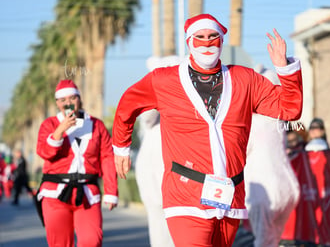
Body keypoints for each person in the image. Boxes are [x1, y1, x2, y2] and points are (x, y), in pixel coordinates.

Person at [112, 13, 303, 246]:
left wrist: (285, 70)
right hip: (185, 193)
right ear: (189, 41)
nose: (207, 42)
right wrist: (121, 146)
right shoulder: (165, 80)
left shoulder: (245, 79)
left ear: (222, 41)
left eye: (213, 36)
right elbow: (128, 104)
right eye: (200, 37)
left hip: (230, 197)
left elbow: (289, 109)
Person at [36, 79, 118, 247]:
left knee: (92, 241)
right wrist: (60, 130)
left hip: (87, 193)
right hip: (55, 194)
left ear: (80, 99)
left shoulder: (96, 125)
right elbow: (44, 152)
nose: (68, 103)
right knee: (59, 243)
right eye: (63, 100)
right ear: (57, 103)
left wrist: (111, 191)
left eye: (72, 98)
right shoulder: (49, 124)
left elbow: (107, 157)